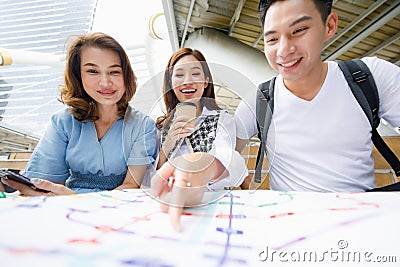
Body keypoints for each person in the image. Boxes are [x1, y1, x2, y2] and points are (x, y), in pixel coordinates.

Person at [235, 0, 400, 192]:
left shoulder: (368, 77)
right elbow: (221, 152)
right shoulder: (260, 100)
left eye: (298, 30)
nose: (284, 50)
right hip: (290, 220)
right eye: (272, 39)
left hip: (363, 217)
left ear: (329, 26)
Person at [1, 32, 157, 195]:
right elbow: (45, 185)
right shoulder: (63, 122)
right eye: (93, 71)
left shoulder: (143, 126)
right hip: (63, 208)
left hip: (115, 210)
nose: (105, 82)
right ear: (78, 76)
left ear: (126, 75)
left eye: (114, 72)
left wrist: (75, 199)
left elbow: (131, 185)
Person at [150, 47, 248, 231]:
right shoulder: (160, 127)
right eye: (179, 75)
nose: (187, 81)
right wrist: (167, 144)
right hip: (168, 202)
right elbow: (150, 176)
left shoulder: (222, 119)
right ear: (170, 82)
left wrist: (198, 168)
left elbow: (228, 157)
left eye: (195, 73)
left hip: (214, 203)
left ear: (206, 81)